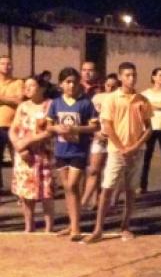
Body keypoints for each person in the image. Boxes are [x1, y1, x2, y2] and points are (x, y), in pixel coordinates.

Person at [85, 62, 153, 243]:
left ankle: (125, 226)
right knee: (107, 188)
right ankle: (98, 229)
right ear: (121, 77)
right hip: (117, 151)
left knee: (131, 190)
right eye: (128, 75)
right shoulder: (111, 99)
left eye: (134, 75)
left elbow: (149, 128)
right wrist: (122, 148)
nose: (131, 78)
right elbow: (107, 125)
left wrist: (135, 147)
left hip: (137, 151)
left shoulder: (142, 99)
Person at [47, 68, 99, 241]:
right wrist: (57, 128)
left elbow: (94, 126)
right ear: (61, 84)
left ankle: (75, 228)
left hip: (79, 150)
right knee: (68, 189)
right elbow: (48, 126)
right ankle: (73, 225)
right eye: (67, 82)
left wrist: (75, 128)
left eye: (74, 82)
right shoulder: (55, 103)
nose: (71, 85)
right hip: (61, 150)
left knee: (72, 185)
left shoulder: (86, 103)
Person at [9, 76, 55, 232]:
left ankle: (49, 227)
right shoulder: (22, 106)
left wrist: (27, 142)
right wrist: (19, 147)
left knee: (47, 191)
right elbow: (13, 129)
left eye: (31, 85)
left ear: (41, 88)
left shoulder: (50, 105)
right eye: (25, 86)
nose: (27, 89)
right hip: (24, 155)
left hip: (43, 153)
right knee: (26, 192)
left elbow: (49, 131)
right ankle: (29, 226)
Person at [81, 73, 119, 209]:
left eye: (114, 86)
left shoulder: (121, 99)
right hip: (100, 138)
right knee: (93, 170)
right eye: (108, 85)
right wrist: (96, 133)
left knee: (113, 172)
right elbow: (92, 118)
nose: (110, 88)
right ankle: (85, 201)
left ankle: (110, 200)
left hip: (116, 139)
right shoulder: (98, 98)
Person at [0, 56, 24, 193]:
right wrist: (10, 99)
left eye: (8, 63)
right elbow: (13, 100)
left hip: (14, 126)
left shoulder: (18, 82)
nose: (6, 66)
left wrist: (1, 98)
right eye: (2, 63)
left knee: (17, 158)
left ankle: (20, 189)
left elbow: (19, 100)